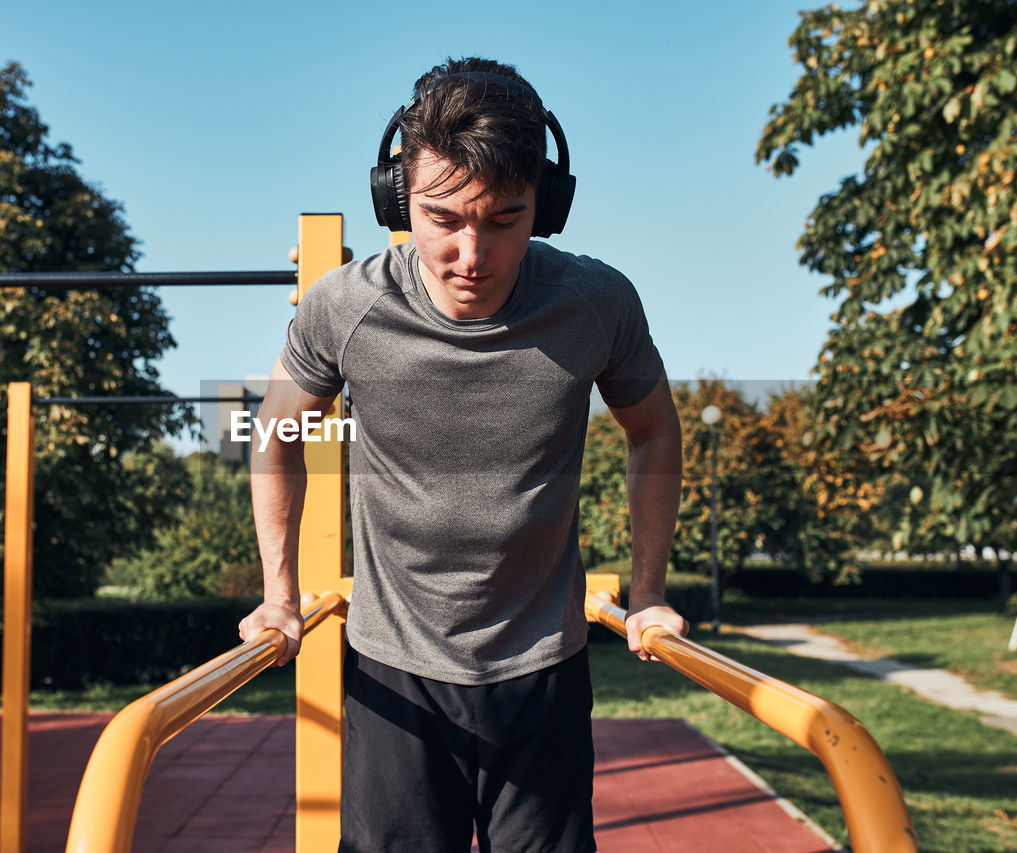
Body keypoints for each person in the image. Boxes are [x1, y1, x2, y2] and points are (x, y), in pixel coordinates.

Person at [239, 56, 688, 853]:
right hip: (393, 677)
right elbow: (276, 432)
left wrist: (648, 592)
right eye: (443, 219)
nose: (471, 253)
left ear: (544, 208)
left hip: (543, 671)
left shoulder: (595, 304)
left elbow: (653, 427)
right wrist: (279, 595)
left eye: (503, 219)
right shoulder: (345, 306)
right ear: (397, 199)